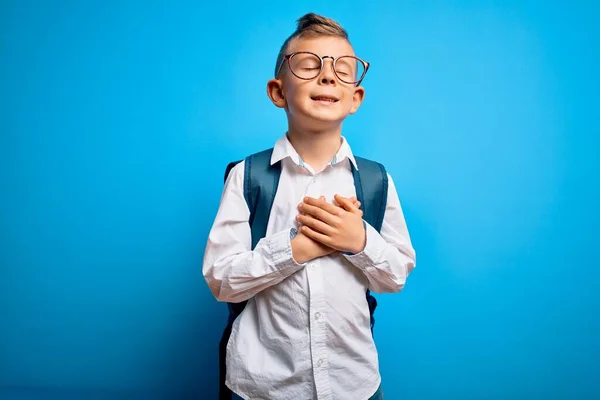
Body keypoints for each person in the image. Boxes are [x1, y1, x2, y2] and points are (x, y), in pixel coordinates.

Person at [202, 12, 416, 400]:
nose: (328, 75)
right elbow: (221, 280)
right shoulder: (247, 177)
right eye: (308, 65)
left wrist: (359, 240)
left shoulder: (375, 180)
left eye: (344, 68)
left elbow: (396, 275)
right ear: (278, 92)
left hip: (355, 386)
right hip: (263, 388)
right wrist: (295, 249)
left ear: (356, 98)